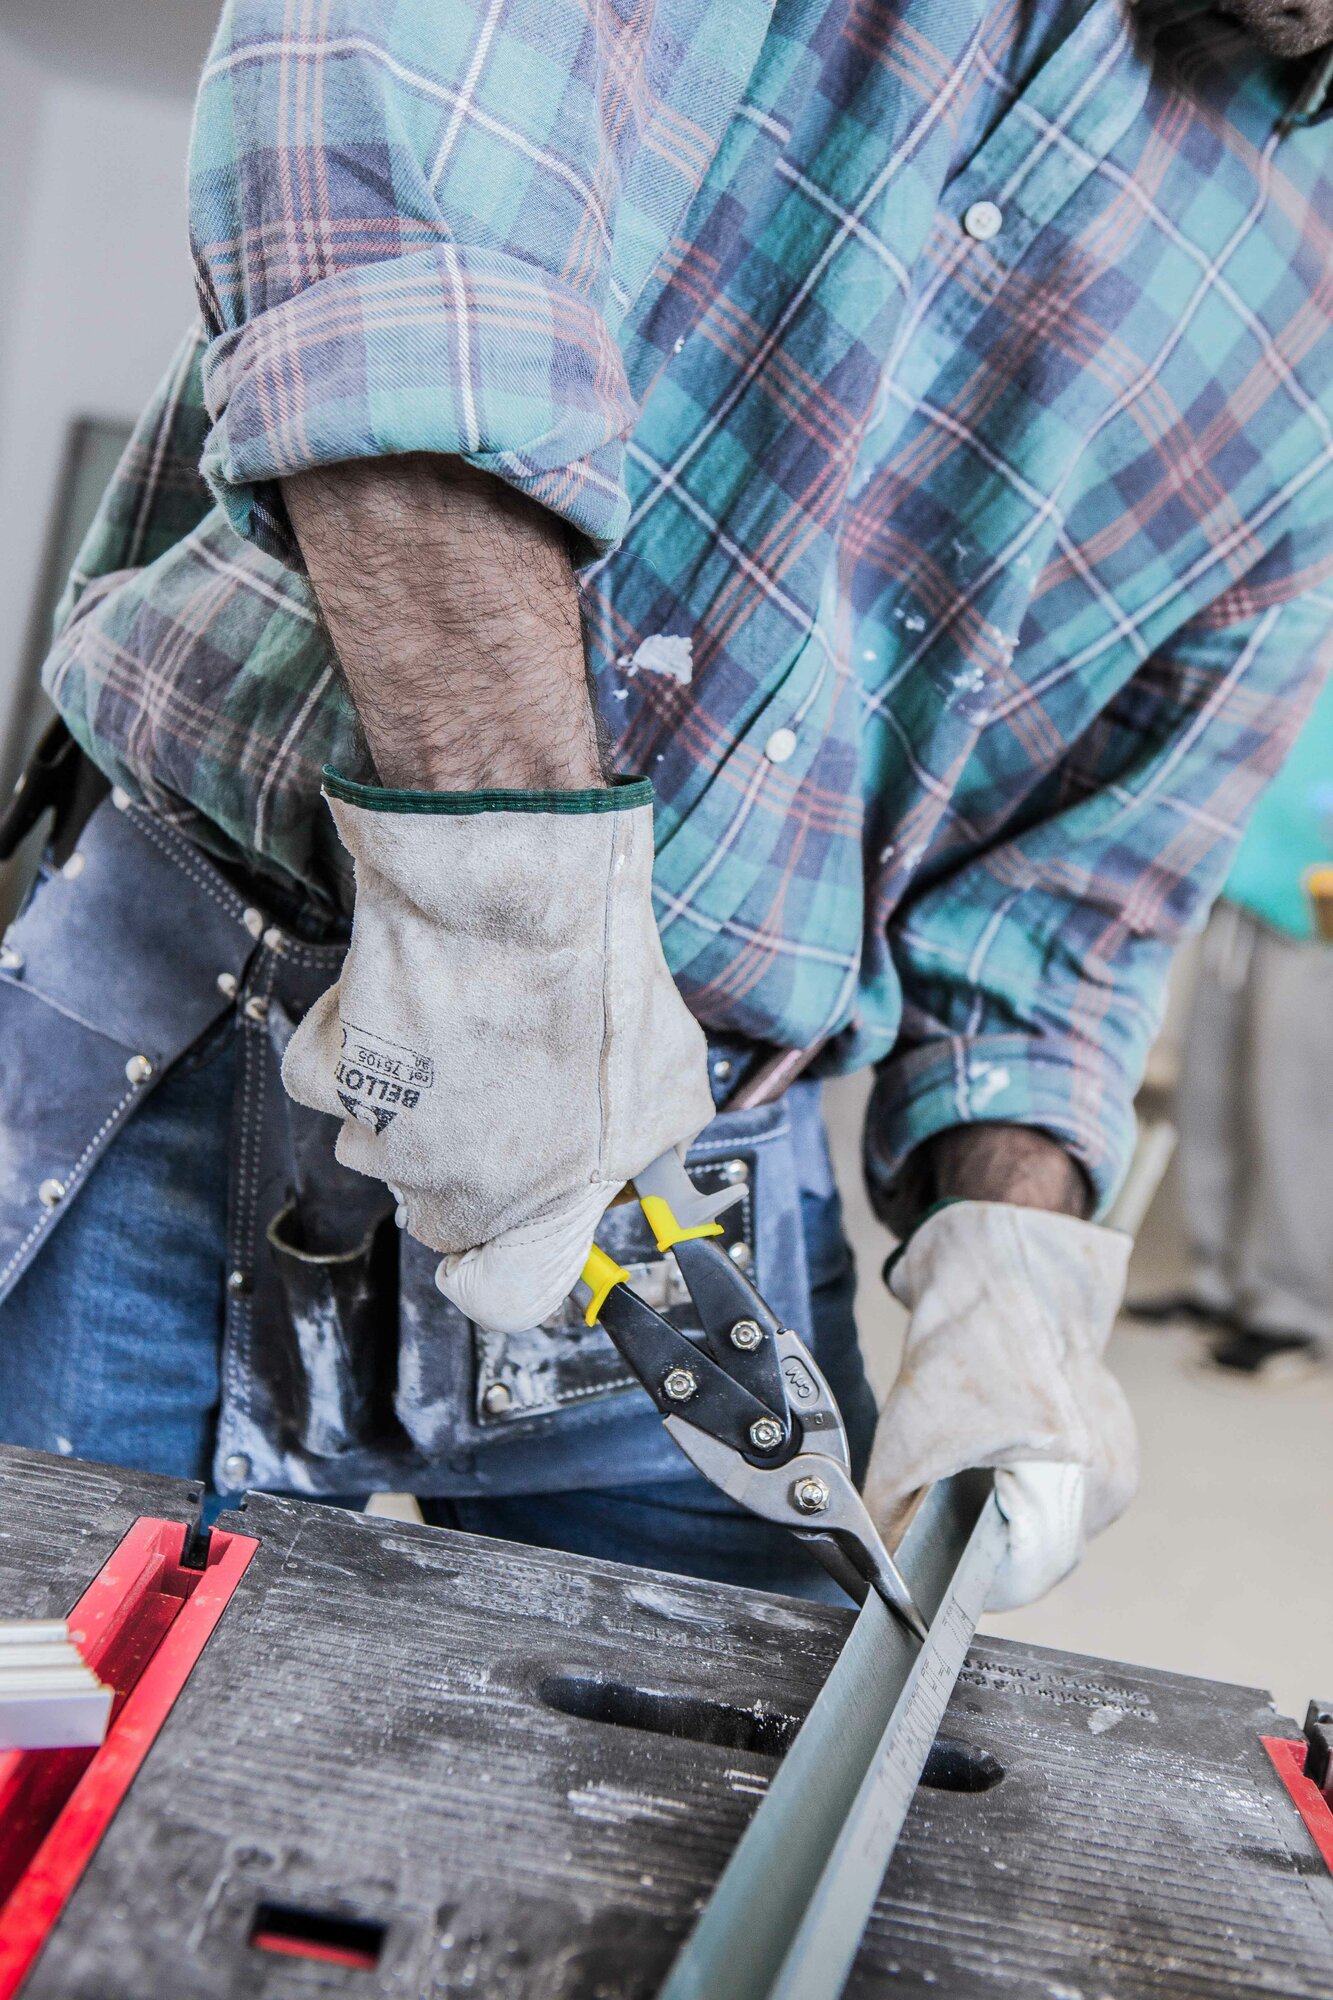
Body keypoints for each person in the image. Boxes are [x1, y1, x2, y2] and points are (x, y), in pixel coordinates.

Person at [2, 0, 1332, 1616]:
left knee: (774, 1822)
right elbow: (392, 160)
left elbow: (1064, 915)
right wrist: (511, 909)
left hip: (696, 1208)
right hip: (190, 1051)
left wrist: (1015, 1264)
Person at [1133, 671, 1333, 1374]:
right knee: (1213, 1095)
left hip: (1316, 901)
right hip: (1243, 868)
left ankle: (1293, 1309)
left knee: (1295, 1110)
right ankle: (1220, 1281)